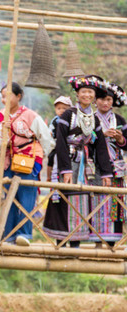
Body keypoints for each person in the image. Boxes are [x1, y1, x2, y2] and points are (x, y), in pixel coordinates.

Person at [43, 75, 114, 247]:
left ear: (94, 96)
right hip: (67, 161)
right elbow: (60, 141)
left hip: (84, 165)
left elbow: (101, 147)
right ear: (77, 94)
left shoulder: (94, 119)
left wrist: (106, 172)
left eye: (90, 92)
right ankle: (61, 240)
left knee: (81, 198)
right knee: (63, 197)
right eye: (84, 92)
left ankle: (75, 242)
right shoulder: (68, 114)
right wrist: (65, 170)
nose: (87, 95)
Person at [0, 82, 55, 246]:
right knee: (8, 198)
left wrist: (39, 158)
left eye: (8, 95)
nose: (4, 99)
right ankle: (8, 235)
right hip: (6, 161)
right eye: (2, 96)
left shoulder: (31, 116)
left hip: (27, 160)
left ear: (18, 96)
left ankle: (24, 234)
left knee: (26, 197)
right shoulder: (0, 116)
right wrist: (2, 131)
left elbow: (46, 139)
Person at [93, 80, 127, 245]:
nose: (105, 103)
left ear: (113, 101)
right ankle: (97, 242)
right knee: (97, 201)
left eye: (108, 100)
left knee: (115, 203)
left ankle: (113, 243)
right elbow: (82, 141)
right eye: (102, 99)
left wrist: (120, 139)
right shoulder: (89, 119)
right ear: (95, 100)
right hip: (96, 168)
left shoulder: (120, 119)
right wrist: (101, 135)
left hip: (116, 168)